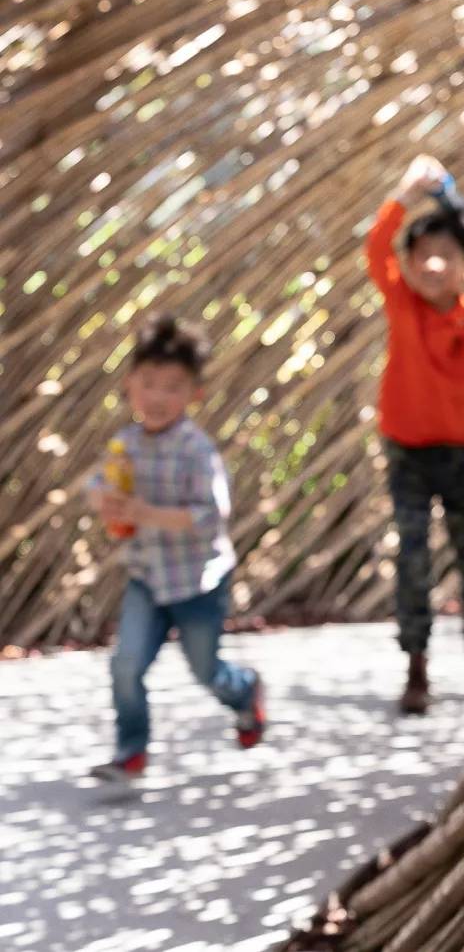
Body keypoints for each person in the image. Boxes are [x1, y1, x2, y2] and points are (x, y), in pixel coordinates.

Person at [367, 154, 464, 714]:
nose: (434, 264)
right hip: (407, 452)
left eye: (448, 255)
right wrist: (406, 192)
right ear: (409, 263)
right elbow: (375, 246)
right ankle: (416, 669)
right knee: (412, 557)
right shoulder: (402, 303)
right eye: (423, 254)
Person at [86, 315, 265, 781]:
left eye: (172, 387)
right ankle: (131, 751)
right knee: (126, 664)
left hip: (197, 581)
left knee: (205, 670)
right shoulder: (125, 444)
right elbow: (98, 486)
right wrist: (106, 501)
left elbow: (210, 514)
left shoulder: (196, 450)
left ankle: (244, 691)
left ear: (194, 394)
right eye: (148, 384)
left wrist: (145, 513)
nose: (158, 397)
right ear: (129, 385)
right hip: (147, 576)